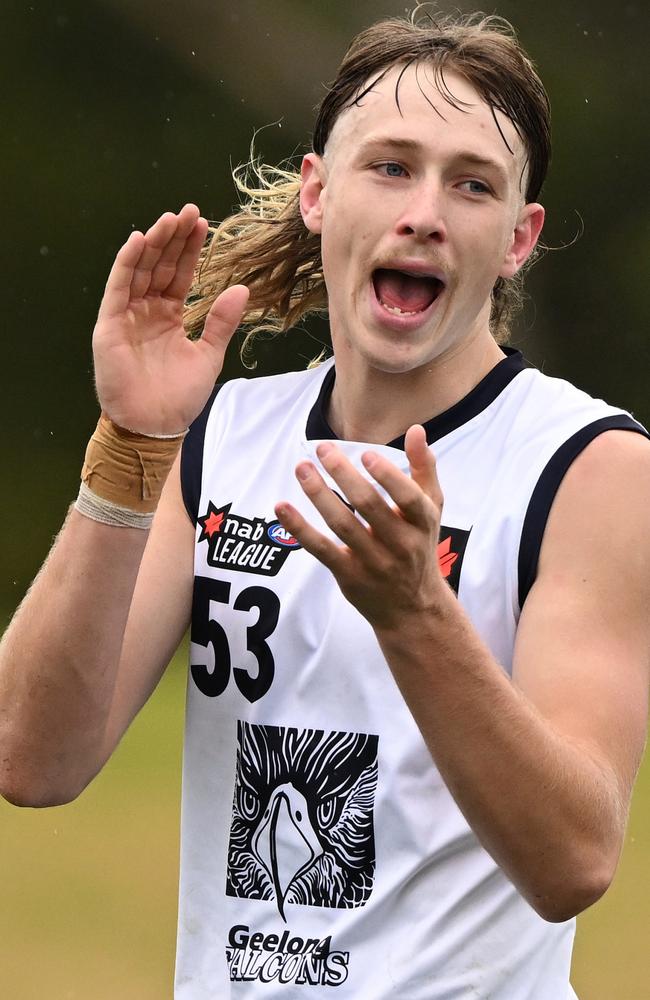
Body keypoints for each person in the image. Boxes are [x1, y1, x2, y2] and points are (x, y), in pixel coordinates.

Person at [1, 9, 649, 998]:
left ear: (516, 239)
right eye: (389, 166)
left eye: (469, 182)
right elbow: (30, 758)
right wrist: (128, 447)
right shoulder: (224, 435)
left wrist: (412, 613)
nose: (424, 210)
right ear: (316, 192)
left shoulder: (587, 465)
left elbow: (572, 862)